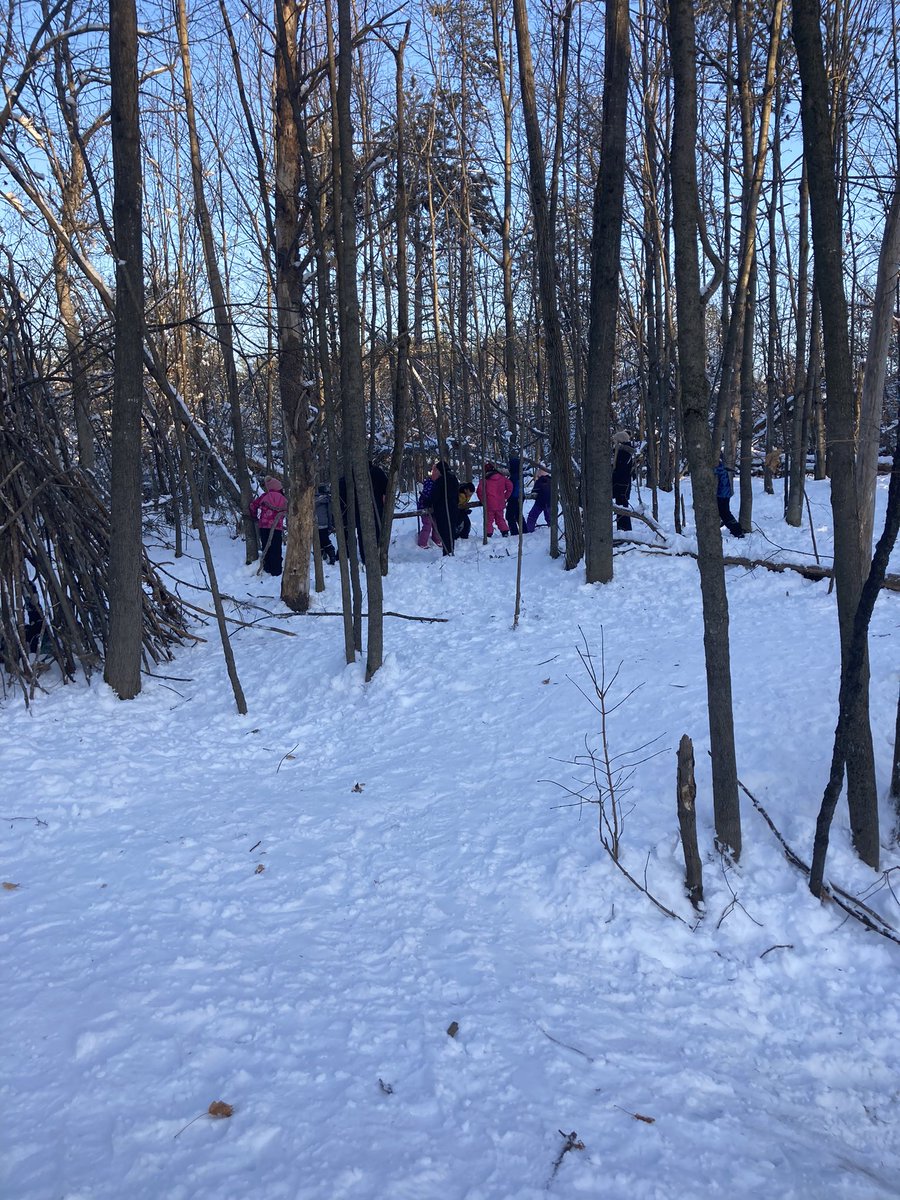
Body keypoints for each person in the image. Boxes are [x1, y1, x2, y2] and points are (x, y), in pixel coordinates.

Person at [250, 476, 288, 575]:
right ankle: (276, 570)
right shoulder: (284, 499)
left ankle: (267, 567)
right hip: (277, 527)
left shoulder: (265, 496)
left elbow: (253, 506)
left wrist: (254, 516)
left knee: (266, 546)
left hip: (264, 526)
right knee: (276, 548)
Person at [428, 459, 460, 556]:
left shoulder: (441, 481)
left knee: (444, 531)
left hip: (443, 510)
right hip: (453, 508)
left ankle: (447, 552)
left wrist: (428, 502)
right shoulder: (453, 478)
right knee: (450, 531)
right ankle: (450, 550)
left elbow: (435, 495)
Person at [477, 461, 513, 537]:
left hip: (489, 504)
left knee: (489, 521)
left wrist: (483, 501)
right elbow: (510, 486)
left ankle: (488, 534)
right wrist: (505, 496)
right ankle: (505, 531)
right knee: (500, 518)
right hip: (500, 503)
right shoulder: (502, 478)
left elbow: (479, 491)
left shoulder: (484, 480)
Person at [715, 455, 745, 538]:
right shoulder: (722, 467)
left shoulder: (720, 468)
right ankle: (735, 529)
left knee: (725, 513)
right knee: (725, 513)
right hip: (724, 493)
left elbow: (717, 471)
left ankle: (736, 530)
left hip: (722, 494)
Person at [612, 430, 635, 531]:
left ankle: (624, 529)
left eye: (616, 441)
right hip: (621, 484)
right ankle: (622, 529)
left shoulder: (624, 453)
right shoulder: (625, 452)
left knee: (622, 507)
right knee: (620, 507)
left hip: (622, 485)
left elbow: (620, 470)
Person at [416, 473, 443, 549]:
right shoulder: (429, 484)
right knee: (427, 525)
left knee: (436, 523)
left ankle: (436, 539)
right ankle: (422, 542)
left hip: (434, 508)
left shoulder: (438, 484)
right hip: (425, 508)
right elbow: (426, 497)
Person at [315, 483, 337, 565]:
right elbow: (329, 513)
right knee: (325, 540)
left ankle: (321, 556)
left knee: (320, 540)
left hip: (314, 524)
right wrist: (330, 525)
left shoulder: (312, 499)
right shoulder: (327, 500)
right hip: (323, 524)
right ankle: (331, 554)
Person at [525, 466, 551, 533]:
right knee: (550, 517)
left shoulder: (539, 481)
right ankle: (552, 529)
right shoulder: (551, 480)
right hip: (550, 502)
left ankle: (529, 530)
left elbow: (534, 493)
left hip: (540, 502)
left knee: (532, 516)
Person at [506, 454, 522, 535]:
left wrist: (508, 497)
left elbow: (512, 489)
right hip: (519, 497)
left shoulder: (514, 476)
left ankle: (514, 533)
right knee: (518, 515)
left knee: (509, 516)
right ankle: (524, 531)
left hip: (514, 498)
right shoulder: (519, 475)